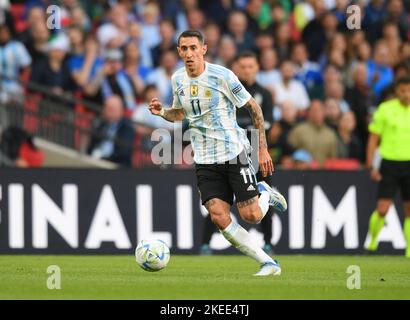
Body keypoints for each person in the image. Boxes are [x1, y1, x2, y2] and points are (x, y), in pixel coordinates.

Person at [149, 30, 287, 276]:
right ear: (178, 51)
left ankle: (264, 194)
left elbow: (254, 107)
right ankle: (268, 263)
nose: (189, 53)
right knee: (219, 216)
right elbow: (180, 114)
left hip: (234, 153)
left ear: (203, 49)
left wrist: (262, 149)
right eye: (184, 48)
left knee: (252, 215)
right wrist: (162, 112)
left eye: (193, 47)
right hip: (204, 159)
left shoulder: (222, 76)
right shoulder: (178, 79)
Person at [365, 76, 410, 258]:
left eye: (409, 90)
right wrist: (371, 165)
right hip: (389, 163)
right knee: (383, 207)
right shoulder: (385, 109)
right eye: (402, 91)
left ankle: (409, 251)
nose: (406, 94)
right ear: (396, 91)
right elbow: (374, 139)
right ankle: (372, 242)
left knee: (409, 209)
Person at [88, 95, 136, 167]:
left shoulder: (127, 127)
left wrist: (104, 159)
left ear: (120, 110)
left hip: (117, 167)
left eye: (110, 109)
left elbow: (124, 152)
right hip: (96, 163)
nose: (106, 111)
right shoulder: (101, 125)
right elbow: (91, 147)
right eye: (106, 108)